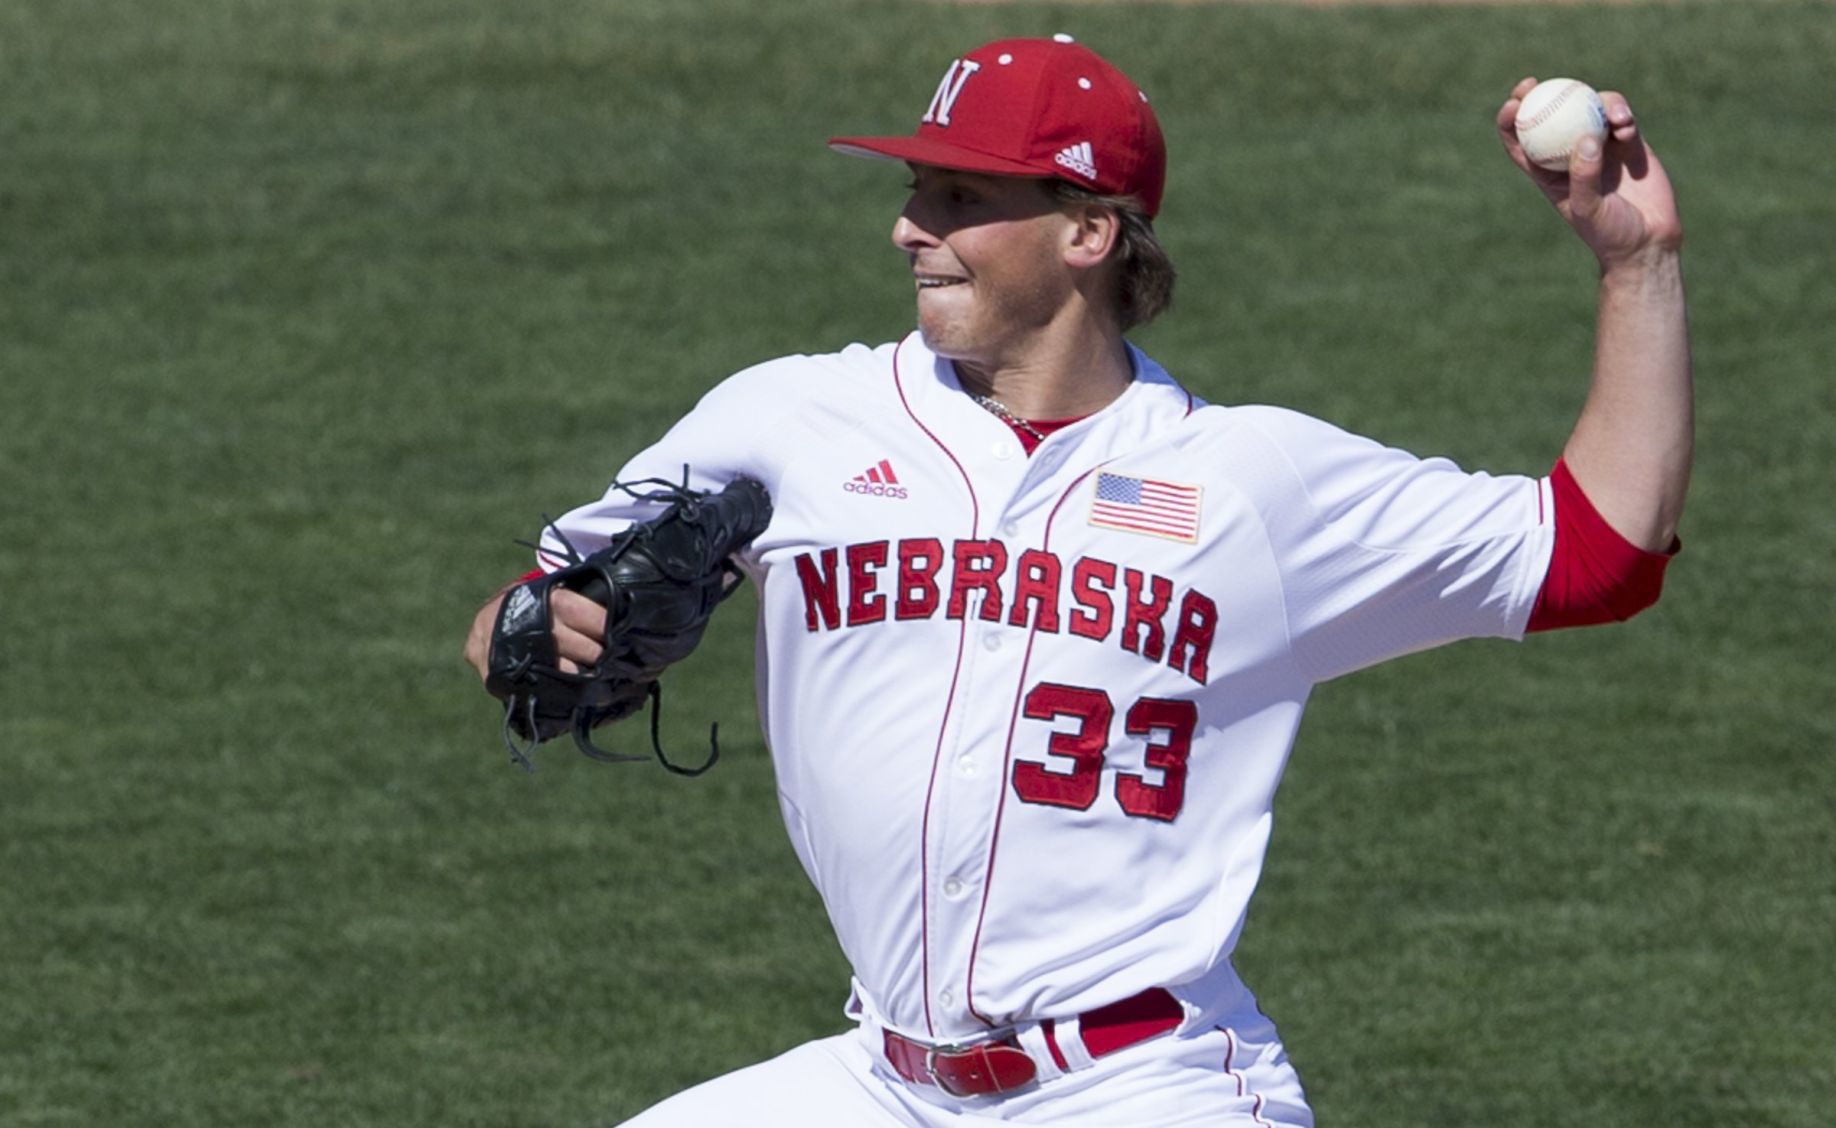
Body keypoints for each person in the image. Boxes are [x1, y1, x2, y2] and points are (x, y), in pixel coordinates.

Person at [464, 33, 1689, 1128]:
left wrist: (1636, 266)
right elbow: (530, 604)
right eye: (913, 190)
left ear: (1088, 232)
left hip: (1143, 1086)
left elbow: (1598, 556)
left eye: (959, 196)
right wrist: (531, 626)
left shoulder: (1252, 482)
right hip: (879, 1082)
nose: (909, 226)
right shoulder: (792, 417)